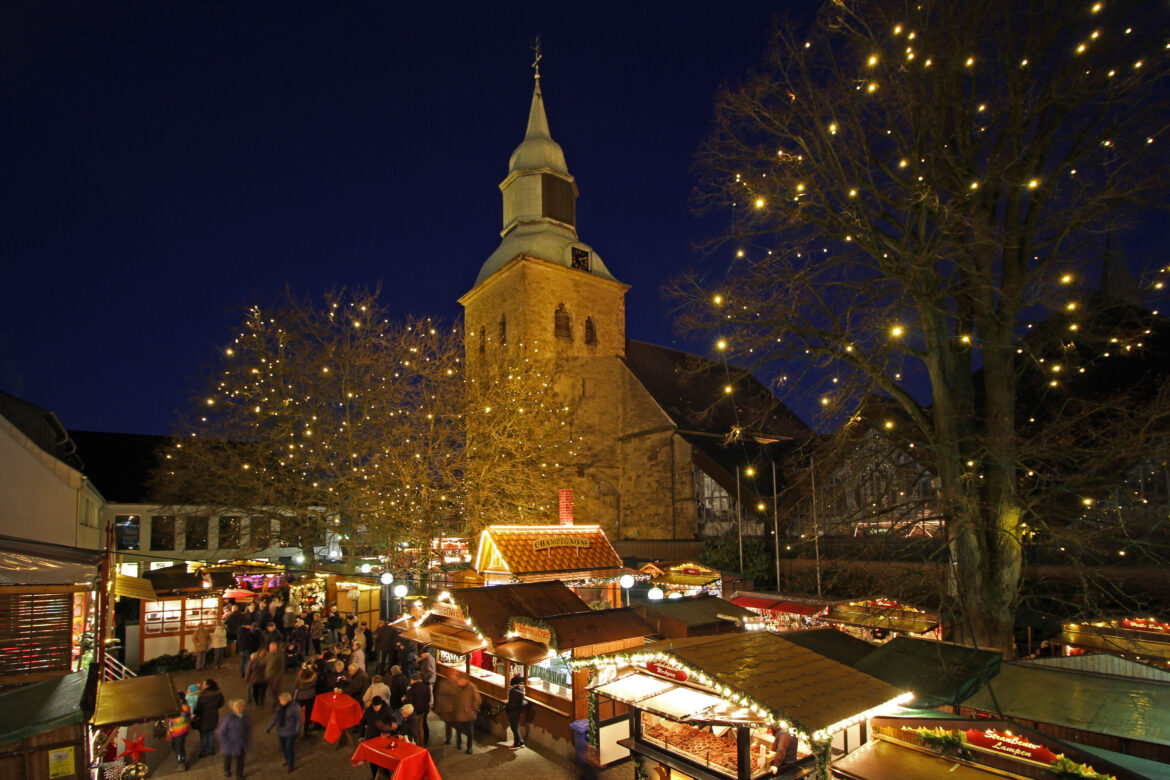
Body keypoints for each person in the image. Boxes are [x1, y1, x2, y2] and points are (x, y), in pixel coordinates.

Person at [357, 697, 397, 779]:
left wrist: (390, 728)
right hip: (371, 739)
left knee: (384, 760)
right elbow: (362, 722)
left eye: (377, 706)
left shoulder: (388, 710)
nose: (376, 708)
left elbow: (393, 723)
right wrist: (361, 735)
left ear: (381, 704)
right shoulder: (369, 710)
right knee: (373, 760)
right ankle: (375, 776)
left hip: (383, 739)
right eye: (374, 706)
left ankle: (387, 777)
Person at [266, 691, 303, 772]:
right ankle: (287, 759)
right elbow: (276, 718)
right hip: (281, 731)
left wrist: (297, 731)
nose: (280, 702)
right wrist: (269, 727)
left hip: (290, 732)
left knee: (289, 748)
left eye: (281, 700)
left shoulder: (295, 707)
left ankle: (291, 765)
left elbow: (299, 720)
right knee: (283, 747)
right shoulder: (280, 707)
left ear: (287, 700)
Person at [215, 699, 251, 779]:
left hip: (241, 743)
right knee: (228, 759)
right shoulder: (229, 718)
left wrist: (247, 740)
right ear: (233, 708)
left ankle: (239, 775)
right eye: (238, 707)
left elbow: (247, 729)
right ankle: (227, 770)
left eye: (241, 707)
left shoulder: (245, 717)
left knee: (240, 761)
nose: (240, 709)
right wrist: (225, 742)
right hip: (230, 744)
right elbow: (221, 732)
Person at [194, 678, 224, 759]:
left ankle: (203, 752)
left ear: (207, 686)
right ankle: (211, 751)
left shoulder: (202, 695)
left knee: (203, 736)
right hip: (214, 717)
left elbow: (198, 708)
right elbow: (221, 703)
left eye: (203, 684)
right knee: (211, 734)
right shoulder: (218, 693)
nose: (202, 686)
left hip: (203, 718)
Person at [452, 673, 481, 755]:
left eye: (460, 680)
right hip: (459, 713)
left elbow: (477, 699)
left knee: (470, 732)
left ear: (465, 680)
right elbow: (454, 698)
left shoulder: (472, 687)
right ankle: (459, 743)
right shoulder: (456, 687)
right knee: (459, 729)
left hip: (469, 714)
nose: (458, 682)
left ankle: (469, 747)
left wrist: (473, 709)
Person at [166, 695, 192, 771]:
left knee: (179, 747)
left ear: (180, 700)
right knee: (175, 746)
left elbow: (182, 720)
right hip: (175, 731)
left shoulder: (184, 708)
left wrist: (173, 720)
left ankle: (181, 763)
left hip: (180, 731)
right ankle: (180, 758)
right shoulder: (176, 707)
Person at [293, 663, 318, 737]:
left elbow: (295, 687)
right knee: (308, 715)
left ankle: (295, 731)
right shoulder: (314, 678)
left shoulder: (299, 679)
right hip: (310, 697)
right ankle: (306, 731)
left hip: (300, 697)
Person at [406, 673, 431, 746]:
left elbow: (409, 701)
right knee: (421, 728)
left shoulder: (411, 690)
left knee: (415, 729)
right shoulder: (426, 687)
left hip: (415, 712)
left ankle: (417, 745)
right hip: (423, 711)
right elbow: (428, 699)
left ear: (413, 680)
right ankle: (422, 744)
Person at [433, 675, 457, 747]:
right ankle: (456, 740)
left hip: (447, 709)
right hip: (452, 709)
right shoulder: (456, 685)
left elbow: (440, 696)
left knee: (448, 725)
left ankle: (449, 739)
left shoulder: (443, 684)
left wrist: (439, 708)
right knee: (452, 724)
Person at [505, 674, 526, 748]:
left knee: (513, 727)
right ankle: (520, 741)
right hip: (518, 711)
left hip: (513, 712)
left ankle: (517, 743)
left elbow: (511, 704)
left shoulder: (513, 692)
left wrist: (507, 709)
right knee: (515, 726)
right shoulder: (521, 690)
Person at [265, 640, 286, 705]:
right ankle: (275, 700)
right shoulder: (268, 654)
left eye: (272, 647)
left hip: (276, 676)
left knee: (275, 689)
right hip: (269, 675)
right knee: (272, 689)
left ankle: (276, 701)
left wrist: (279, 675)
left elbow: (282, 666)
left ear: (276, 648)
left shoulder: (279, 655)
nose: (270, 648)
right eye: (270, 647)